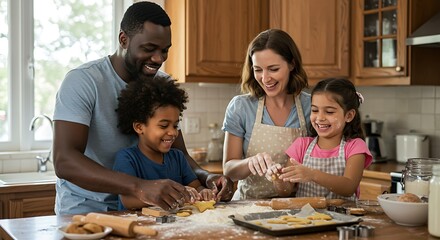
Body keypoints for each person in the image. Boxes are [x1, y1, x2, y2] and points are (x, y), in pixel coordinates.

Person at [53, 1, 233, 215]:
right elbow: (65, 160)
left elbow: (179, 153)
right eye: (149, 49)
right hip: (86, 211)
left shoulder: (162, 85)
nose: (158, 59)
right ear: (123, 40)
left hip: (145, 211)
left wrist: (207, 177)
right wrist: (139, 186)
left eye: (164, 50)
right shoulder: (84, 81)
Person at [222, 29, 311, 200]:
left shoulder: (310, 107)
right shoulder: (241, 107)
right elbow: (229, 170)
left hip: (295, 208)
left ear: (292, 64)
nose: (265, 78)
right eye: (258, 70)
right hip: (248, 206)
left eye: (273, 69)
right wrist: (249, 163)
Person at [113, 77, 215, 210]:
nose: (173, 132)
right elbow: (128, 201)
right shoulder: (127, 159)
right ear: (139, 127)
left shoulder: (178, 157)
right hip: (139, 226)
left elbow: (196, 187)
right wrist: (177, 194)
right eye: (164, 126)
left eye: (175, 126)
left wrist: (204, 193)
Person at [266, 78, 373, 200]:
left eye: (329, 112)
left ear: (348, 115)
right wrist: (278, 179)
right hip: (305, 218)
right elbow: (285, 191)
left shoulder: (355, 146)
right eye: (315, 110)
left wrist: (312, 174)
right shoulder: (301, 145)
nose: (320, 117)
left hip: (344, 218)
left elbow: (348, 187)